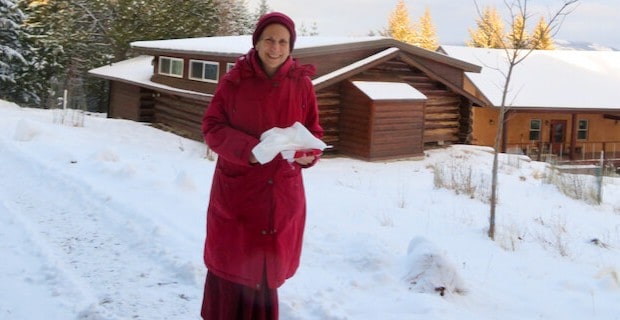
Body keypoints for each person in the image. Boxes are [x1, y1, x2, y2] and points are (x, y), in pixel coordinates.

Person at [200, 12, 324, 320]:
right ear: (256, 42)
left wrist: (310, 154)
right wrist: (250, 152)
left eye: (283, 41)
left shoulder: (302, 85)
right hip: (239, 190)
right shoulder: (234, 81)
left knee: (266, 271)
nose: (276, 47)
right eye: (269, 39)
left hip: (281, 192)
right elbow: (212, 127)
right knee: (233, 266)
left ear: (290, 47)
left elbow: (314, 130)